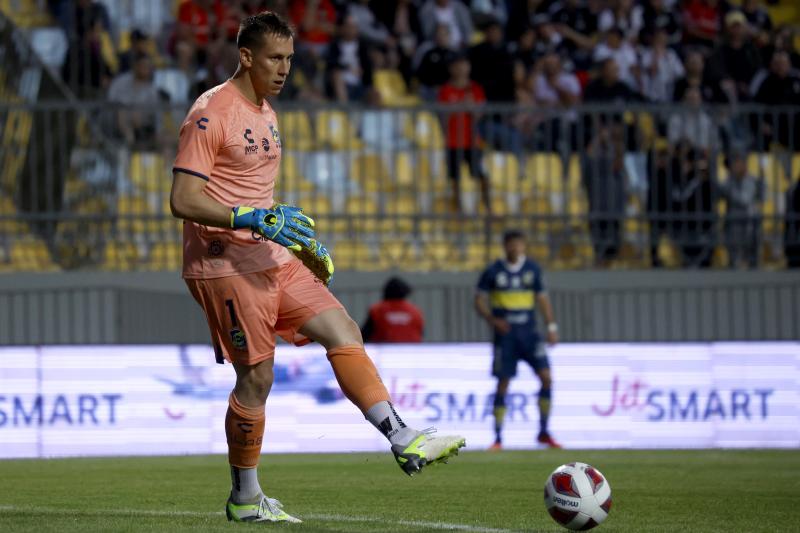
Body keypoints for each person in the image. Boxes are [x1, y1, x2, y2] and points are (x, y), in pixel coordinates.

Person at [169, 11, 465, 524]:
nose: (285, 68)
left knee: (343, 329)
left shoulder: (267, 111)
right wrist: (249, 217)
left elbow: (253, 193)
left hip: (270, 255)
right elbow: (183, 199)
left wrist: (290, 236)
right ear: (246, 57)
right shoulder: (210, 113)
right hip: (224, 264)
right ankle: (245, 497)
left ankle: (402, 437)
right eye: (275, 58)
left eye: (290, 58)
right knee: (257, 378)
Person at [474, 230, 560, 451]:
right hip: (506, 336)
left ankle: (544, 432)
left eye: (519, 244)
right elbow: (478, 300)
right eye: (511, 244)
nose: (515, 248)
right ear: (505, 246)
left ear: (524, 246)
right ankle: (498, 437)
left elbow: (542, 299)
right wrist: (492, 319)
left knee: (546, 377)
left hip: (530, 333)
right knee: (503, 382)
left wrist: (551, 326)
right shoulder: (493, 271)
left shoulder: (532, 269)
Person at [438, 54, 490, 212]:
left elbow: (479, 114)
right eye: (457, 65)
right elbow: (442, 117)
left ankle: (488, 207)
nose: (461, 69)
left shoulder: (475, 89)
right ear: (451, 68)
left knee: (481, 175)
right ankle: (458, 209)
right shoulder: (445, 90)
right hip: (453, 141)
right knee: (455, 179)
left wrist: (471, 107)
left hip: (472, 140)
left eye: (464, 64)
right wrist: (458, 107)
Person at [361, 277, 425, 343]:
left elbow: (363, 336)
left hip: (385, 349)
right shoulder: (415, 311)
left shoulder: (378, 310)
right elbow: (420, 333)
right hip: (412, 348)